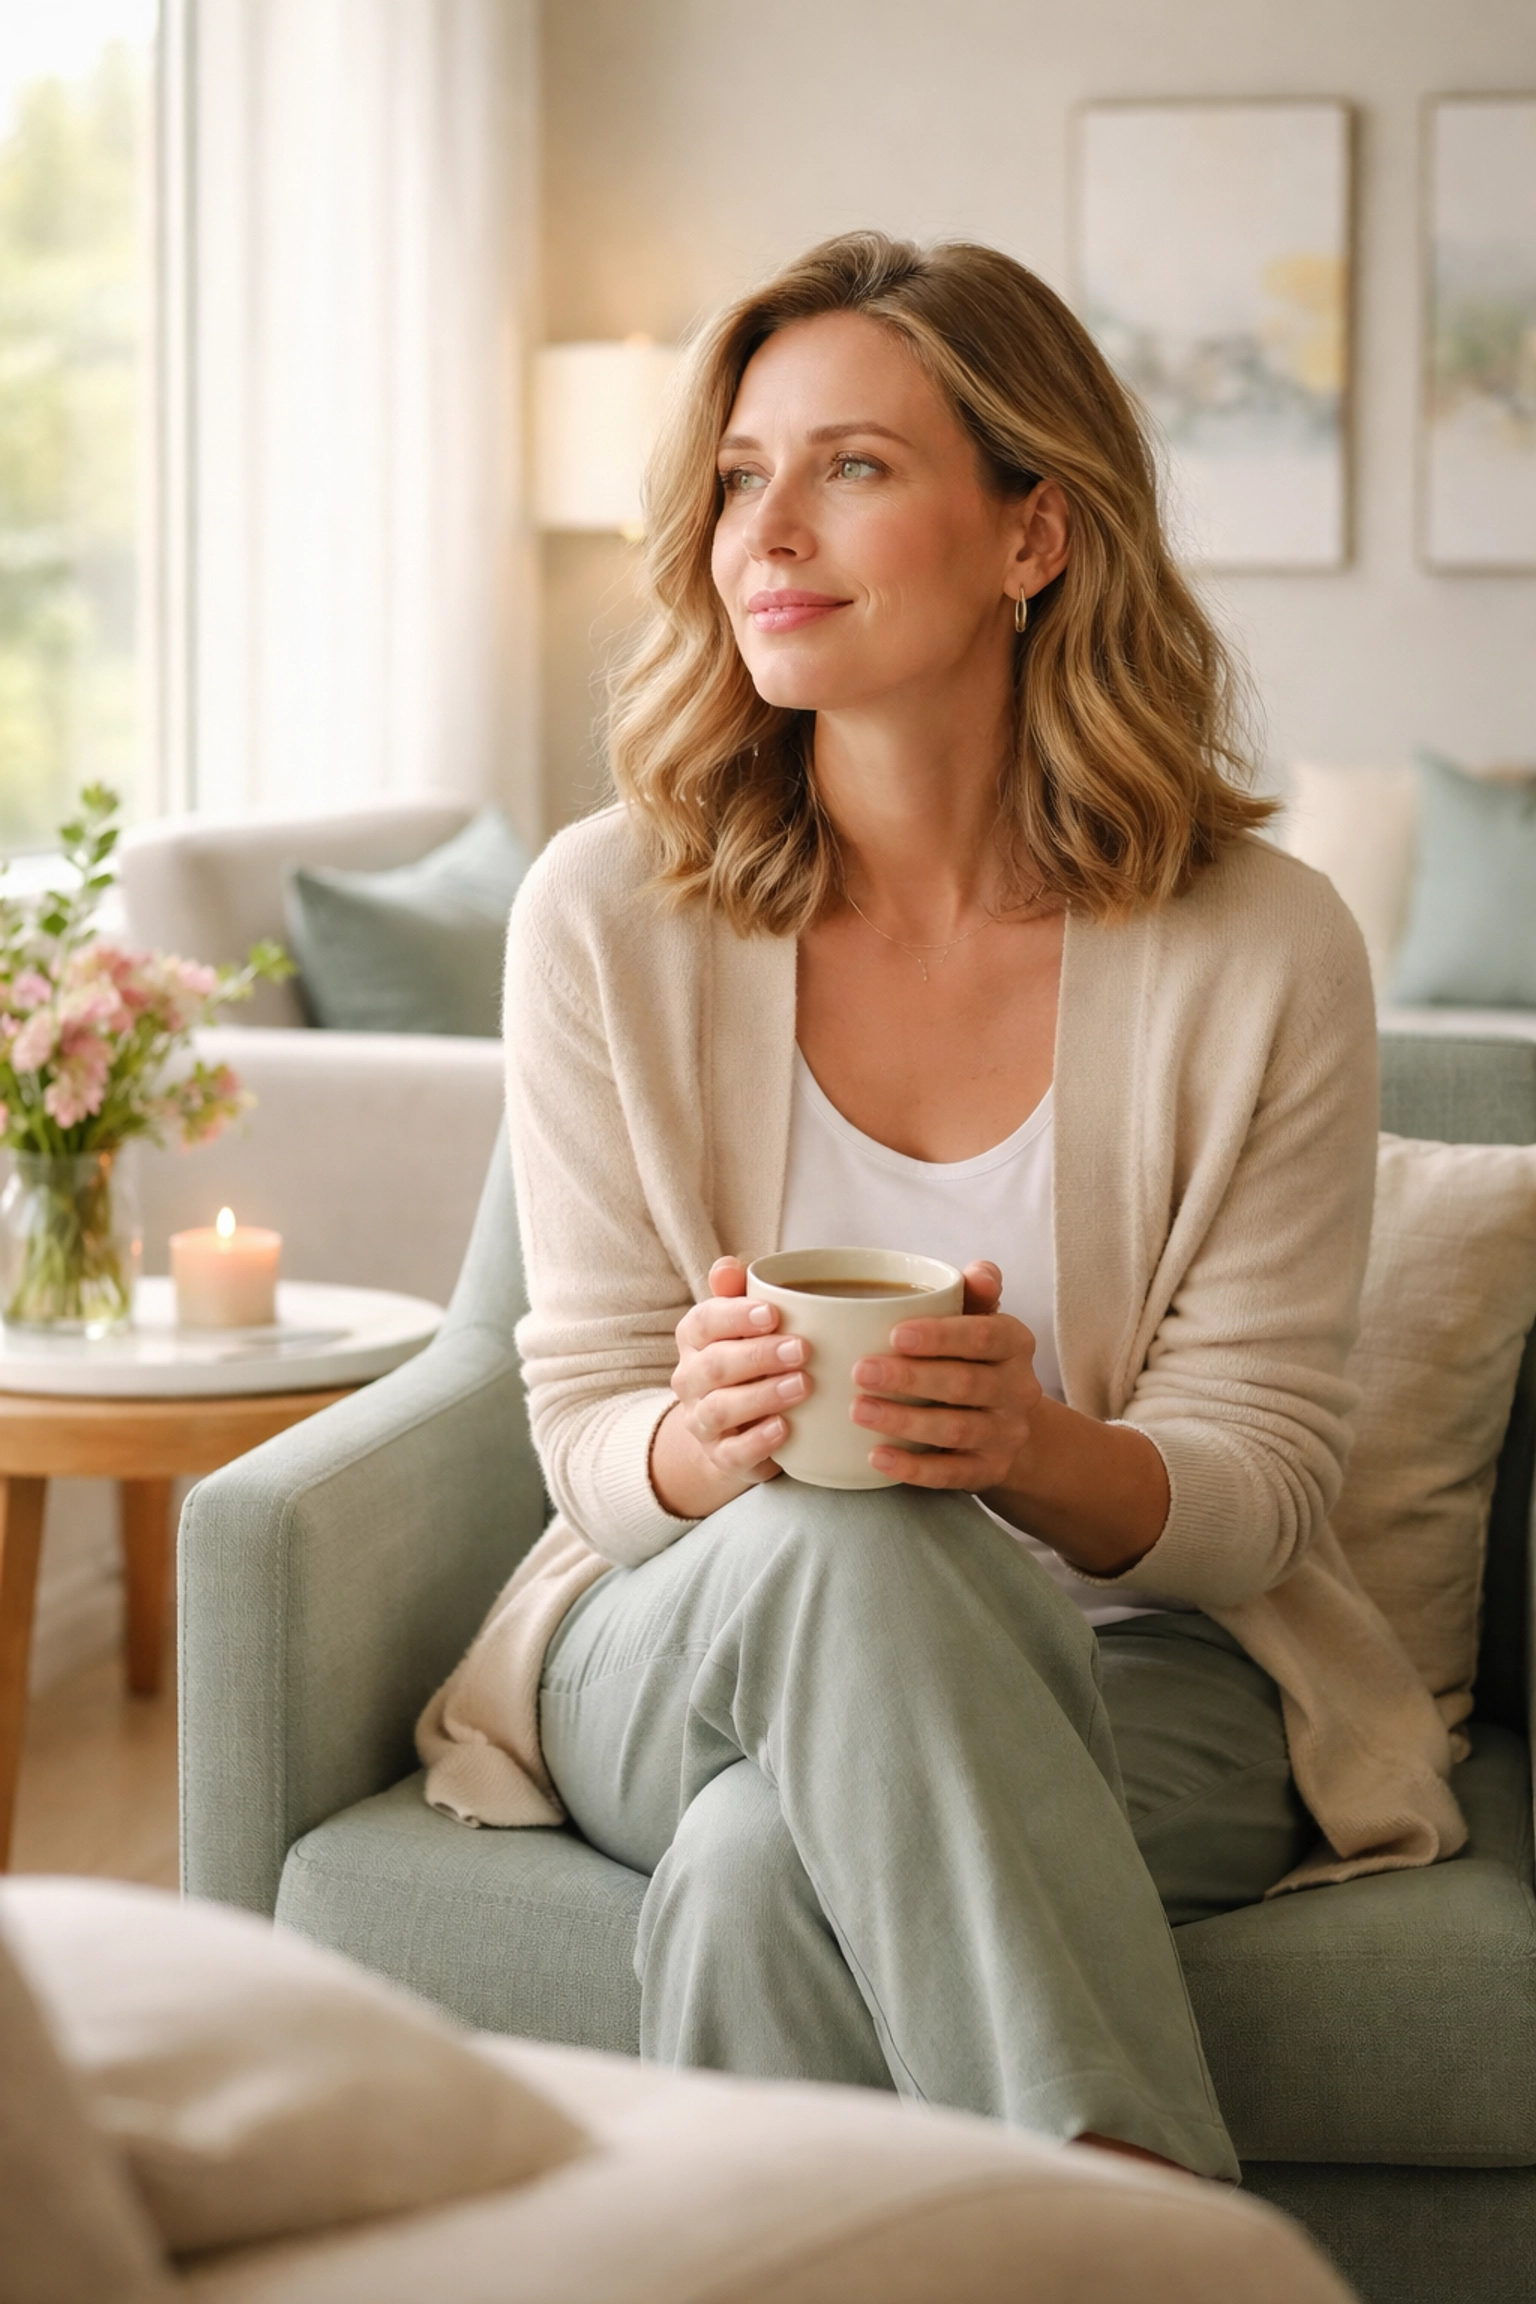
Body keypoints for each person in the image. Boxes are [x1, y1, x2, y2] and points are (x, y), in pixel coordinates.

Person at [418, 232, 1464, 2180]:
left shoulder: (1267, 950)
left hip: (1147, 1668)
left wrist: (1036, 1450)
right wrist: (699, 1440)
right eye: (741, 474)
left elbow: (1261, 1491)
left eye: (855, 469)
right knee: (852, 1547)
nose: (768, 532)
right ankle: (1149, 2231)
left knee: (756, 1874)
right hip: (681, 1628)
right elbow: (581, 1434)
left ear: (1033, 538)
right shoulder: (600, 917)